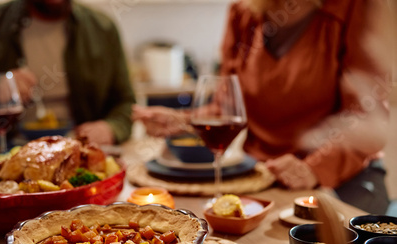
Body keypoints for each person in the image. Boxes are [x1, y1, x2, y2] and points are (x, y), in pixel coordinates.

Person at [133, 0, 392, 214]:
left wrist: (313, 169)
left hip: (346, 177)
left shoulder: (356, 6)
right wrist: (182, 121)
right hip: (263, 177)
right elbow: (227, 108)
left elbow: (369, 116)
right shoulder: (242, 11)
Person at [0, 0, 135, 149]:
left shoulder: (102, 28)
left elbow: (125, 102)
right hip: (8, 152)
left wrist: (111, 128)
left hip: (79, 153)